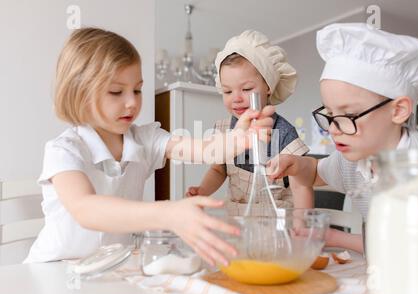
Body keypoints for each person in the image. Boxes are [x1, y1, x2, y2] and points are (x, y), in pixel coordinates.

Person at [24, 27, 275, 266]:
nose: (132, 102)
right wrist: (167, 213)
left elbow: (204, 149)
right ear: (79, 92)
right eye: (115, 92)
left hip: (110, 267)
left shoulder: (146, 139)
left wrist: (237, 139)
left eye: (137, 90)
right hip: (54, 270)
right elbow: (85, 209)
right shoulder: (64, 150)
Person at [267, 23, 418, 253]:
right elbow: (313, 172)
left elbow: (415, 249)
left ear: (398, 110)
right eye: (330, 115)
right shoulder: (351, 161)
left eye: (349, 115)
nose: (333, 129)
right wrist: (297, 164)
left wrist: (333, 237)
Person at [186, 30, 314, 214]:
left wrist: (303, 224)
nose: (236, 98)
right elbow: (218, 170)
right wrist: (203, 191)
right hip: (238, 222)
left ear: (268, 87)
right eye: (227, 92)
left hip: (276, 224)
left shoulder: (283, 133)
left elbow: (301, 185)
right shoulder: (223, 130)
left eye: (246, 89)